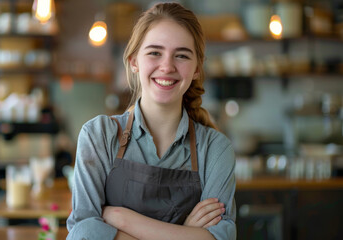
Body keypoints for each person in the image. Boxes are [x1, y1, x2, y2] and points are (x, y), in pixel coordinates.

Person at [67, 2, 236, 240]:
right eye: (155, 52)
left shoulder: (215, 149)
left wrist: (122, 219)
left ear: (197, 67)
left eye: (181, 55)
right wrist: (188, 233)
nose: (167, 66)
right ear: (134, 61)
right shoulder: (99, 135)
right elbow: (83, 232)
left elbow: (222, 236)